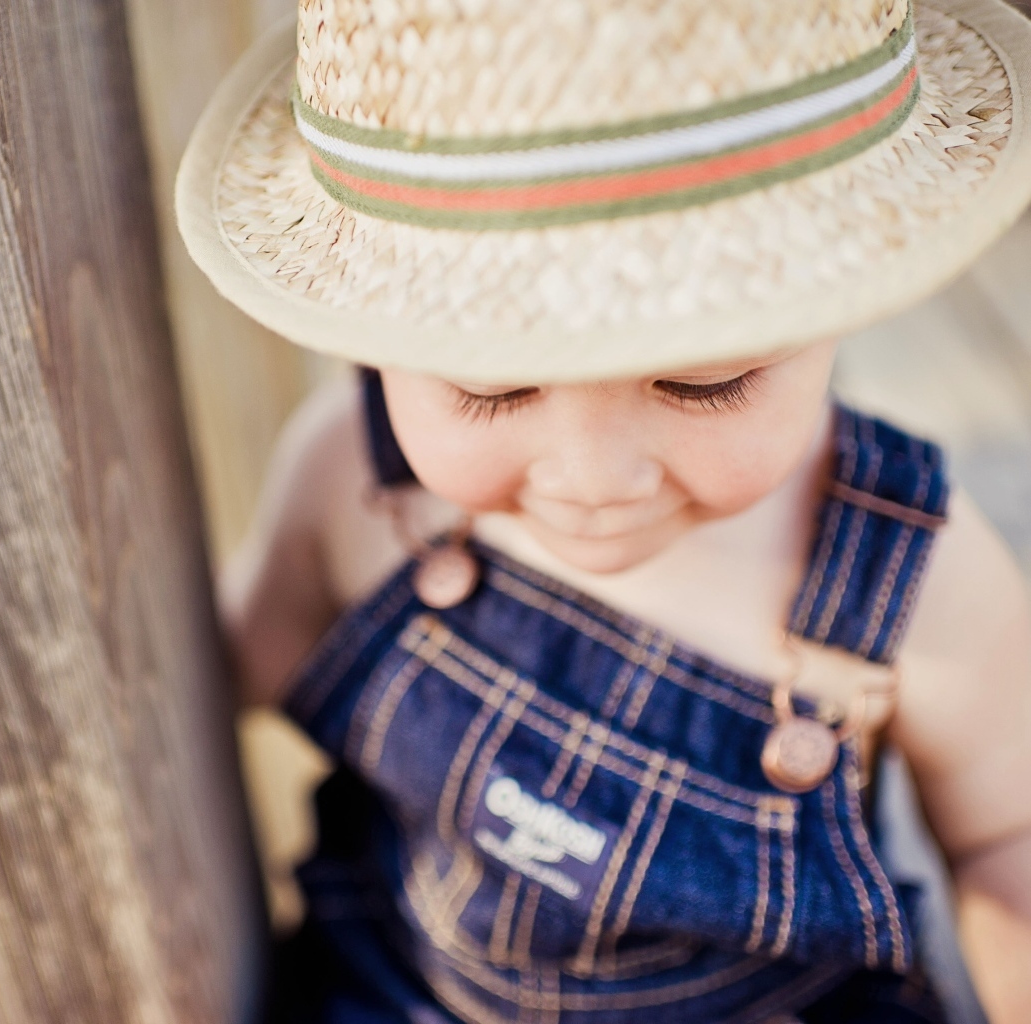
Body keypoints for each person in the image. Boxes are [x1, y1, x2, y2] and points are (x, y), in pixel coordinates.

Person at [177, 0, 1031, 1020]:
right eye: (490, 387)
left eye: (705, 382)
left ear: (853, 293)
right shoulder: (358, 486)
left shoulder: (915, 581)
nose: (592, 477)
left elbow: (1009, 839)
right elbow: (212, 679)